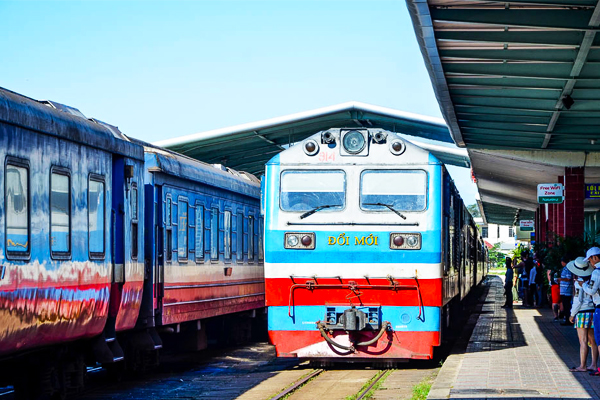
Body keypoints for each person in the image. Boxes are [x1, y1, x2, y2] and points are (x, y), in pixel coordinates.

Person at [568, 257, 598, 372]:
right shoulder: (592, 280)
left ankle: (583, 365)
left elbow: (578, 300)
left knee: (583, 341)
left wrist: (572, 314)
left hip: (581, 313)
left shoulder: (578, 283)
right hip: (592, 311)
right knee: (593, 341)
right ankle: (594, 364)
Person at [582, 247, 600, 376]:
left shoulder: (597, 272)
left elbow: (592, 290)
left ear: (594, 257)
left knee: (599, 339)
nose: (590, 263)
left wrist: (583, 285)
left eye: (589, 260)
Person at [558, 255, 574, 325]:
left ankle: (568, 320)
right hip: (564, 290)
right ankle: (567, 319)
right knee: (566, 306)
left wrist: (560, 279)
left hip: (566, 290)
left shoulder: (567, 269)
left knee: (567, 306)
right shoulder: (566, 268)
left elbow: (568, 278)